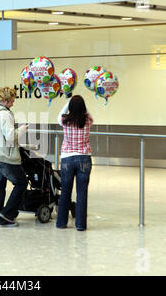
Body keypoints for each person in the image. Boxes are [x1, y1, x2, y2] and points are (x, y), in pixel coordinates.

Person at [0, 86, 28, 228]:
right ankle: (8, 214)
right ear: (6, 100)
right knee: (21, 183)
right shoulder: (5, 115)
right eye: (12, 100)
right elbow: (10, 137)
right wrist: (21, 129)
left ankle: (0, 219)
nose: (13, 103)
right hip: (4, 156)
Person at [56, 95, 93, 231]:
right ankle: (80, 225)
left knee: (65, 191)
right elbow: (89, 114)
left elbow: (59, 115)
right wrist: (82, 106)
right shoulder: (88, 121)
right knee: (82, 192)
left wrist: (68, 103)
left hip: (67, 158)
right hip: (84, 158)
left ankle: (61, 223)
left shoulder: (65, 120)